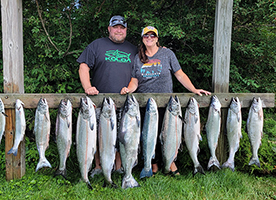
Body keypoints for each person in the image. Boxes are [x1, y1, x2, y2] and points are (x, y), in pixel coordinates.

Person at [120, 26, 211, 176]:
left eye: (152, 35)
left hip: (166, 105)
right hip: (146, 104)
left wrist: (193, 89)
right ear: (142, 39)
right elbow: (134, 81)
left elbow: (180, 75)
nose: (149, 38)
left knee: (169, 135)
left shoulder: (167, 54)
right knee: (150, 136)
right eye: (146, 36)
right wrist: (128, 89)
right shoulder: (138, 58)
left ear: (157, 38)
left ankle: (171, 163)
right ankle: (153, 165)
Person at [77, 15, 138, 177]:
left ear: (126, 30)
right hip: (99, 101)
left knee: (121, 135)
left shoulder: (134, 49)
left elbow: (142, 69)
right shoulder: (96, 45)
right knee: (98, 135)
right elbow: (83, 67)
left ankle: (118, 166)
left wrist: (162, 50)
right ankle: (98, 166)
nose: (119, 30)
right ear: (109, 28)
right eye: (115, 27)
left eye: (122, 27)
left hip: (125, 102)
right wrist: (88, 87)